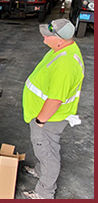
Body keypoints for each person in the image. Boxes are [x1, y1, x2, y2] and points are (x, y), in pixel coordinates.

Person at [21, 19, 85, 199]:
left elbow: (56, 99)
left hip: (49, 119)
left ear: (60, 39)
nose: (44, 37)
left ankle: (45, 192)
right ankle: (40, 171)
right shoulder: (61, 49)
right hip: (43, 115)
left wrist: (40, 121)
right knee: (43, 149)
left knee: (47, 152)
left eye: (48, 35)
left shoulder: (66, 64)